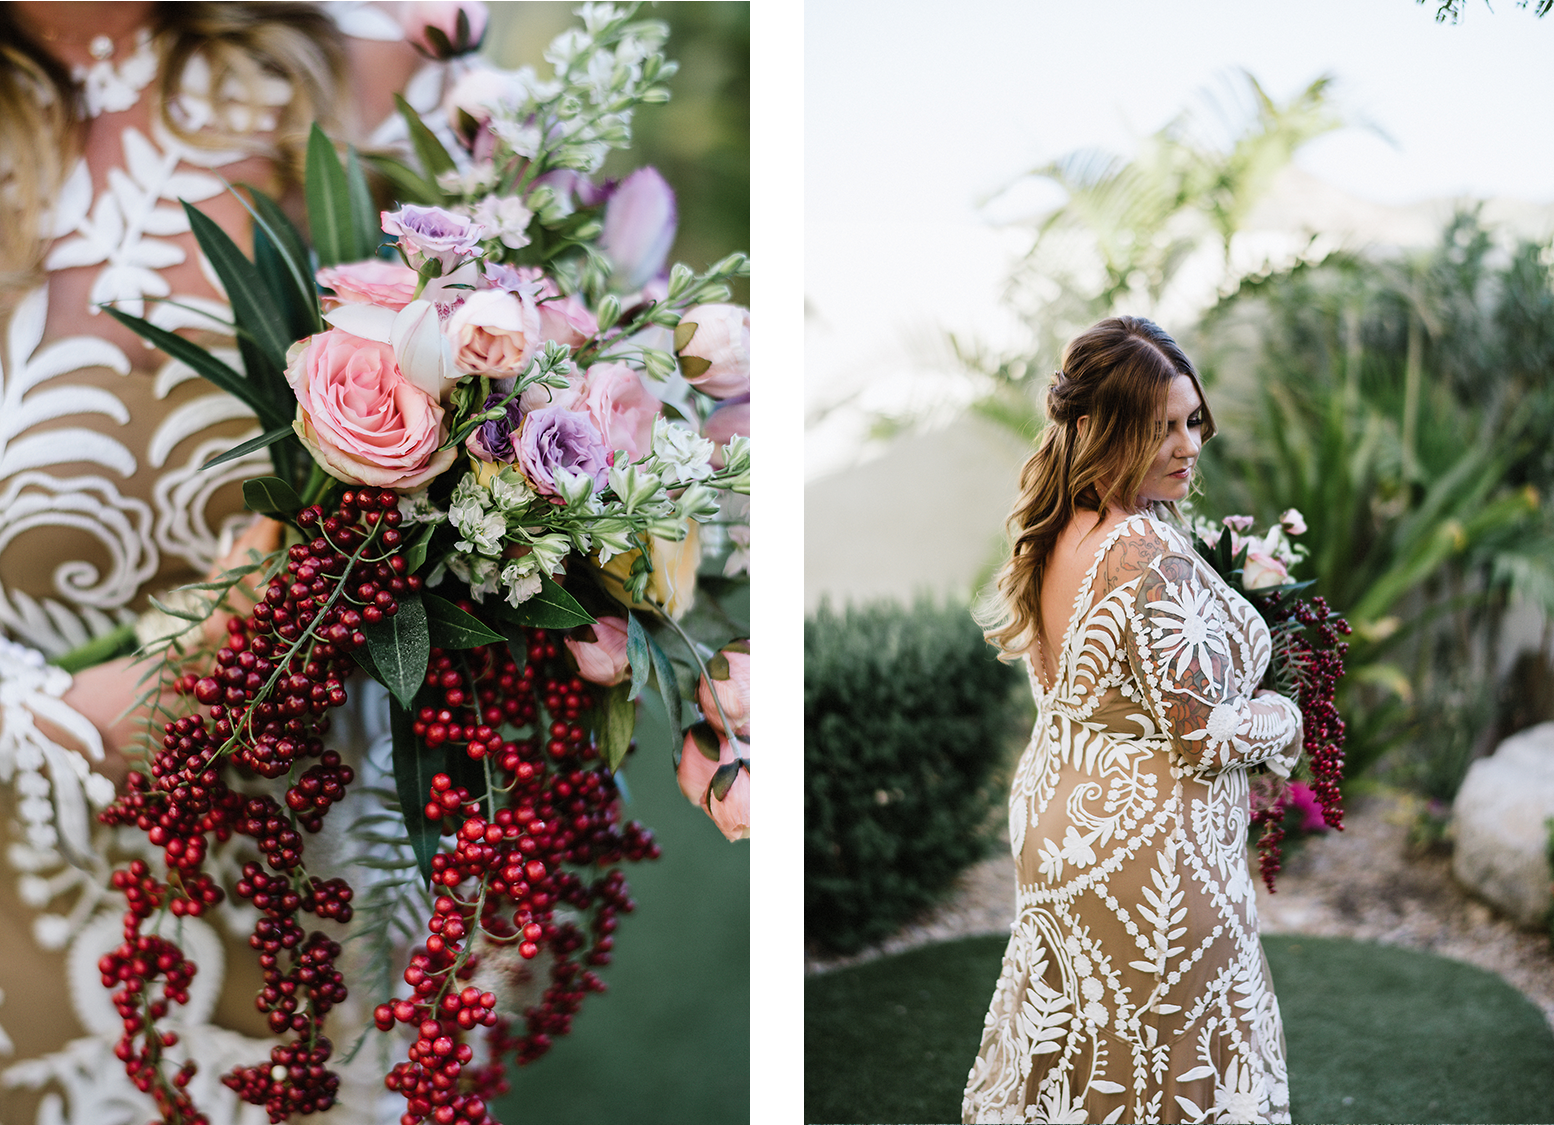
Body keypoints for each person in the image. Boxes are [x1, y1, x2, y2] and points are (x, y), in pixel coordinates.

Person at [0, 4, 440, 1122]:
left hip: (321, 858)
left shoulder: (353, 73)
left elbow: (487, 402)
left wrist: (311, 568)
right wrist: (72, 725)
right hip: (31, 904)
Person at [961, 316, 1303, 1125]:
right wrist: (1283, 716)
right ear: (1106, 429)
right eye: (1162, 429)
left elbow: (1076, 692)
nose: (1188, 446)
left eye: (1192, 422)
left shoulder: (1056, 531)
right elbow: (1203, 733)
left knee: (1088, 1048)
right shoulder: (1145, 547)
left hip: (1060, 825)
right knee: (1172, 1063)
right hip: (1152, 851)